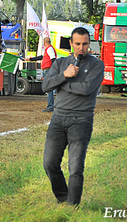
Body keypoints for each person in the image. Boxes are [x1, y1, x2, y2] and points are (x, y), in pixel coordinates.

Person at [42, 27, 104, 206]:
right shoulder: (60, 63)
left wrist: (62, 85)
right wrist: (64, 75)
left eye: (85, 44)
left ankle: (72, 206)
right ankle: (63, 198)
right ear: (70, 43)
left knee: (75, 168)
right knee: (49, 163)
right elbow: (45, 86)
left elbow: (87, 89)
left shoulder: (96, 64)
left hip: (81, 120)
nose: (81, 48)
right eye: (77, 44)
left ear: (89, 44)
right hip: (58, 119)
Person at [30, 37, 58, 112]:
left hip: (48, 70)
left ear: (44, 43)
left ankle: (50, 107)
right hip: (48, 70)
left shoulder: (49, 49)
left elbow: (53, 60)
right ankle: (51, 106)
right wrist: (31, 59)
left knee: (49, 88)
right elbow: (42, 57)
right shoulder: (48, 49)